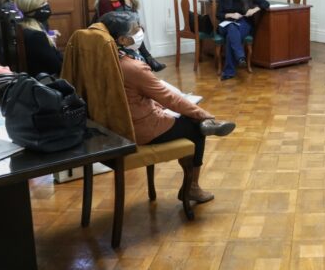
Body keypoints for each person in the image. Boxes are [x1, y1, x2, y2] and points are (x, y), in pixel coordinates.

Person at [99, 11, 236, 203]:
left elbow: (131, 94)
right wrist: (202, 113)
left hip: (112, 125)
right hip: (137, 128)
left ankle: (204, 123)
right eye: (135, 29)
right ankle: (193, 188)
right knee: (196, 128)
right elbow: (169, 99)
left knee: (184, 114)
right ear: (122, 39)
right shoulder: (132, 67)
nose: (140, 31)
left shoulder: (101, 58)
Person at [96, 0, 165, 72]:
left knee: (137, 30)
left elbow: (134, 18)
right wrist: (127, 5)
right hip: (111, 32)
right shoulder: (104, 0)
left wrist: (137, 26)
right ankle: (149, 59)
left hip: (125, 30)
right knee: (134, 31)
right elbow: (117, 20)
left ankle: (147, 60)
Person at [216, 0, 270, 80]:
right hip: (226, 23)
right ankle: (240, 56)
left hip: (243, 23)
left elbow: (265, 3)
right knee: (231, 27)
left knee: (230, 37)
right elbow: (218, 14)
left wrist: (254, 9)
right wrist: (231, 14)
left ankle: (229, 72)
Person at [14, 0, 63, 77]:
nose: (47, 5)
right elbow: (57, 67)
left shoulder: (24, 25)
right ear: (32, 6)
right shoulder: (36, 35)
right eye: (43, 3)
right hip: (48, 82)